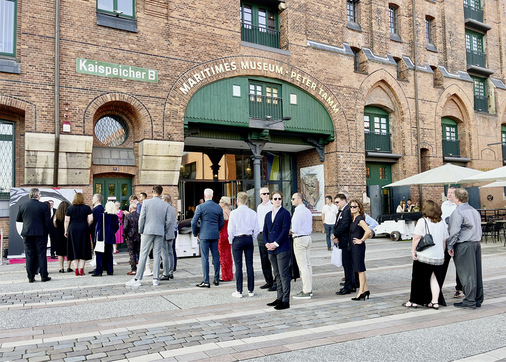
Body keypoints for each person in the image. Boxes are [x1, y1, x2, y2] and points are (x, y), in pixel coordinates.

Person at [404, 200, 448, 309]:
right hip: (438, 256)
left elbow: (416, 238)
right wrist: (442, 252)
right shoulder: (442, 222)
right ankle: (434, 301)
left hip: (424, 255)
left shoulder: (422, 221)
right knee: (434, 278)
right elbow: (444, 240)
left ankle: (414, 300)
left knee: (417, 278)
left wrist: (413, 251)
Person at [126, 185, 172, 287]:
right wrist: (163, 229)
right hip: (159, 231)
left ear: (152, 192)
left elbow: (142, 218)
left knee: (143, 254)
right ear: (161, 192)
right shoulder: (165, 205)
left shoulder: (146, 202)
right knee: (157, 254)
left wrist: (141, 230)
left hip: (148, 230)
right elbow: (168, 221)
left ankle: (138, 278)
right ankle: (155, 279)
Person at [448, 188, 484, 309]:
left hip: (464, 244)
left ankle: (469, 300)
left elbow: (454, 231)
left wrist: (450, 245)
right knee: (476, 272)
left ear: (457, 199)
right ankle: (477, 298)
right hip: (476, 243)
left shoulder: (458, 212)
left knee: (467, 273)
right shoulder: (474, 210)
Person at [16, 188, 52, 283]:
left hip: (27, 233)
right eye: (40, 194)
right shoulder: (44, 206)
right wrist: (48, 232)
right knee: (41, 255)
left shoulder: (22, 205)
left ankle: (30, 277)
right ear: (37, 195)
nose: (40, 195)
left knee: (29, 255)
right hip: (40, 234)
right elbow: (47, 222)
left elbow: (19, 219)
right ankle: (44, 276)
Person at [264, 191, 292, 310]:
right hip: (271, 249)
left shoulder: (285, 213)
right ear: (271, 200)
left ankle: (285, 300)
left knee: (284, 274)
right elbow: (264, 230)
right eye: (275, 199)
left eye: (279, 199)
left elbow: (285, 231)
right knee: (277, 274)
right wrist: (267, 244)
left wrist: (275, 244)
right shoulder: (268, 214)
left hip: (282, 248)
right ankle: (279, 297)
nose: (277, 201)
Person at [192, 188, 224, 288]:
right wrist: (217, 229)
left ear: (205, 196)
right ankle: (216, 278)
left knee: (204, 258)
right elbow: (222, 222)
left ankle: (206, 281)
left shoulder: (200, 207)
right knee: (216, 256)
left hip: (204, 235)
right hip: (214, 234)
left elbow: (193, 222)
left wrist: (195, 233)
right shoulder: (218, 207)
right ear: (212, 196)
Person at [228, 192, 259, 298]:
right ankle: (251, 290)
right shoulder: (253, 212)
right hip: (248, 238)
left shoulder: (234, 213)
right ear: (246, 201)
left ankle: (239, 291)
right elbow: (257, 229)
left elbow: (230, 230)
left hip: (237, 239)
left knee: (238, 266)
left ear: (237, 201)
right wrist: (252, 238)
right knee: (249, 265)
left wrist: (231, 240)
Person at [440, 186, 464, 299]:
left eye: (452, 193)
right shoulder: (444, 205)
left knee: (459, 265)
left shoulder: (459, 206)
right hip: (446, 238)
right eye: (448, 192)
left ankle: (459, 289)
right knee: (442, 264)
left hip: (456, 239)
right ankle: (438, 287)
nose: (449, 195)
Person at [291, 193, 314, 299]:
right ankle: (309, 288)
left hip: (299, 239)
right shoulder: (307, 210)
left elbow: (294, 229)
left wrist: (288, 231)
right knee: (308, 265)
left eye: (293, 199)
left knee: (303, 266)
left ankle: (306, 290)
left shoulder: (298, 212)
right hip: (308, 237)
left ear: (299, 199)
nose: (291, 200)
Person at [348, 199, 372, 301]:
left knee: (360, 270)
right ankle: (366, 290)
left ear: (359, 208)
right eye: (351, 207)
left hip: (358, 247)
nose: (352, 208)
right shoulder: (354, 218)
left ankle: (361, 292)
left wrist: (361, 240)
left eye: (355, 207)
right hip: (354, 247)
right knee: (358, 269)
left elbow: (368, 231)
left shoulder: (359, 219)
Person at [65, 193, 93, 276]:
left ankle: (76, 269)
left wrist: (65, 230)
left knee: (74, 248)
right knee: (83, 248)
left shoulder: (70, 208)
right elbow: (91, 219)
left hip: (73, 229)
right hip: (84, 229)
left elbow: (66, 221)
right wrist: (86, 224)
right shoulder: (87, 208)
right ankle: (82, 270)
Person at [333, 193, 355, 295]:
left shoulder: (346, 211)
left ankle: (349, 286)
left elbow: (345, 225)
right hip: (342, 240)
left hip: (346, 242)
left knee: (347, 265)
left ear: (343, 200)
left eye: (337, 202)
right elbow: (337, 224)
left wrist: (335, 234)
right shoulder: (341, 211)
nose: (336, 204)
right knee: (347, 265)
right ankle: (351, 284)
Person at [257, 187, 276, 291]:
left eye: (268, 193)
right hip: (261, 235)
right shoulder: (259, 207)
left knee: (273, 258)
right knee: (264, 259)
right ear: (260, 195)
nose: (266, 195)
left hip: (270, 234)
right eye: (264, 194)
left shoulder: (272, 205)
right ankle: (268, 281)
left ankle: (277, 282)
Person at [92, 201, 119, 276]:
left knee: (99, 255)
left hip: (102, 237)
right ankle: (110, 271)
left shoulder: (102, 215)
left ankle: (99, 271)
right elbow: (117, 227)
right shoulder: (115, 217)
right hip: (110, 237)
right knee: (109, 254)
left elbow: (98, 227)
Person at [160, 193, 177, 281]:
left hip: (165, 232)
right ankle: (170, 272)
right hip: (171, 233)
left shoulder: (164, 208)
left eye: (162, 198)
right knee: (170, 253)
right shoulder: (173, 209)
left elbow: (167, 221)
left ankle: (165, 273)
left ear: (165, 200)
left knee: (164, 253)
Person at [53, 200, 73, 273]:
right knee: (68, 251)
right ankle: (68, 267)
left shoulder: (56, 216)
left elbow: (54, 225)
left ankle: (61, 268)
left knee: (60, 252)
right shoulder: (70, 215)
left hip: (59, 236)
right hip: (68, 235)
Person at [218, 196, 233, 282]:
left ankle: (225, 276)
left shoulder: (223, 213)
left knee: (223, 256)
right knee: (228, 255)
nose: (219, 203)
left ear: (223, 204)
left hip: (222, 235)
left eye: (220, 202)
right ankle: (229, 274)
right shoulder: (231, 212)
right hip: (228, 235)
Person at [123, 203, 141, 275]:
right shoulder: (140, 216)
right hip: (139, 235)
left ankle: (134, 269)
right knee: (139, 252)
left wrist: (125, 235)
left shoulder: (128, 216)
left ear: (130, 209)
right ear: (136, 209)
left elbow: (125, 227)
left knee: (132, 252)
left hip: (130, 236)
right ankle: (141, 268)